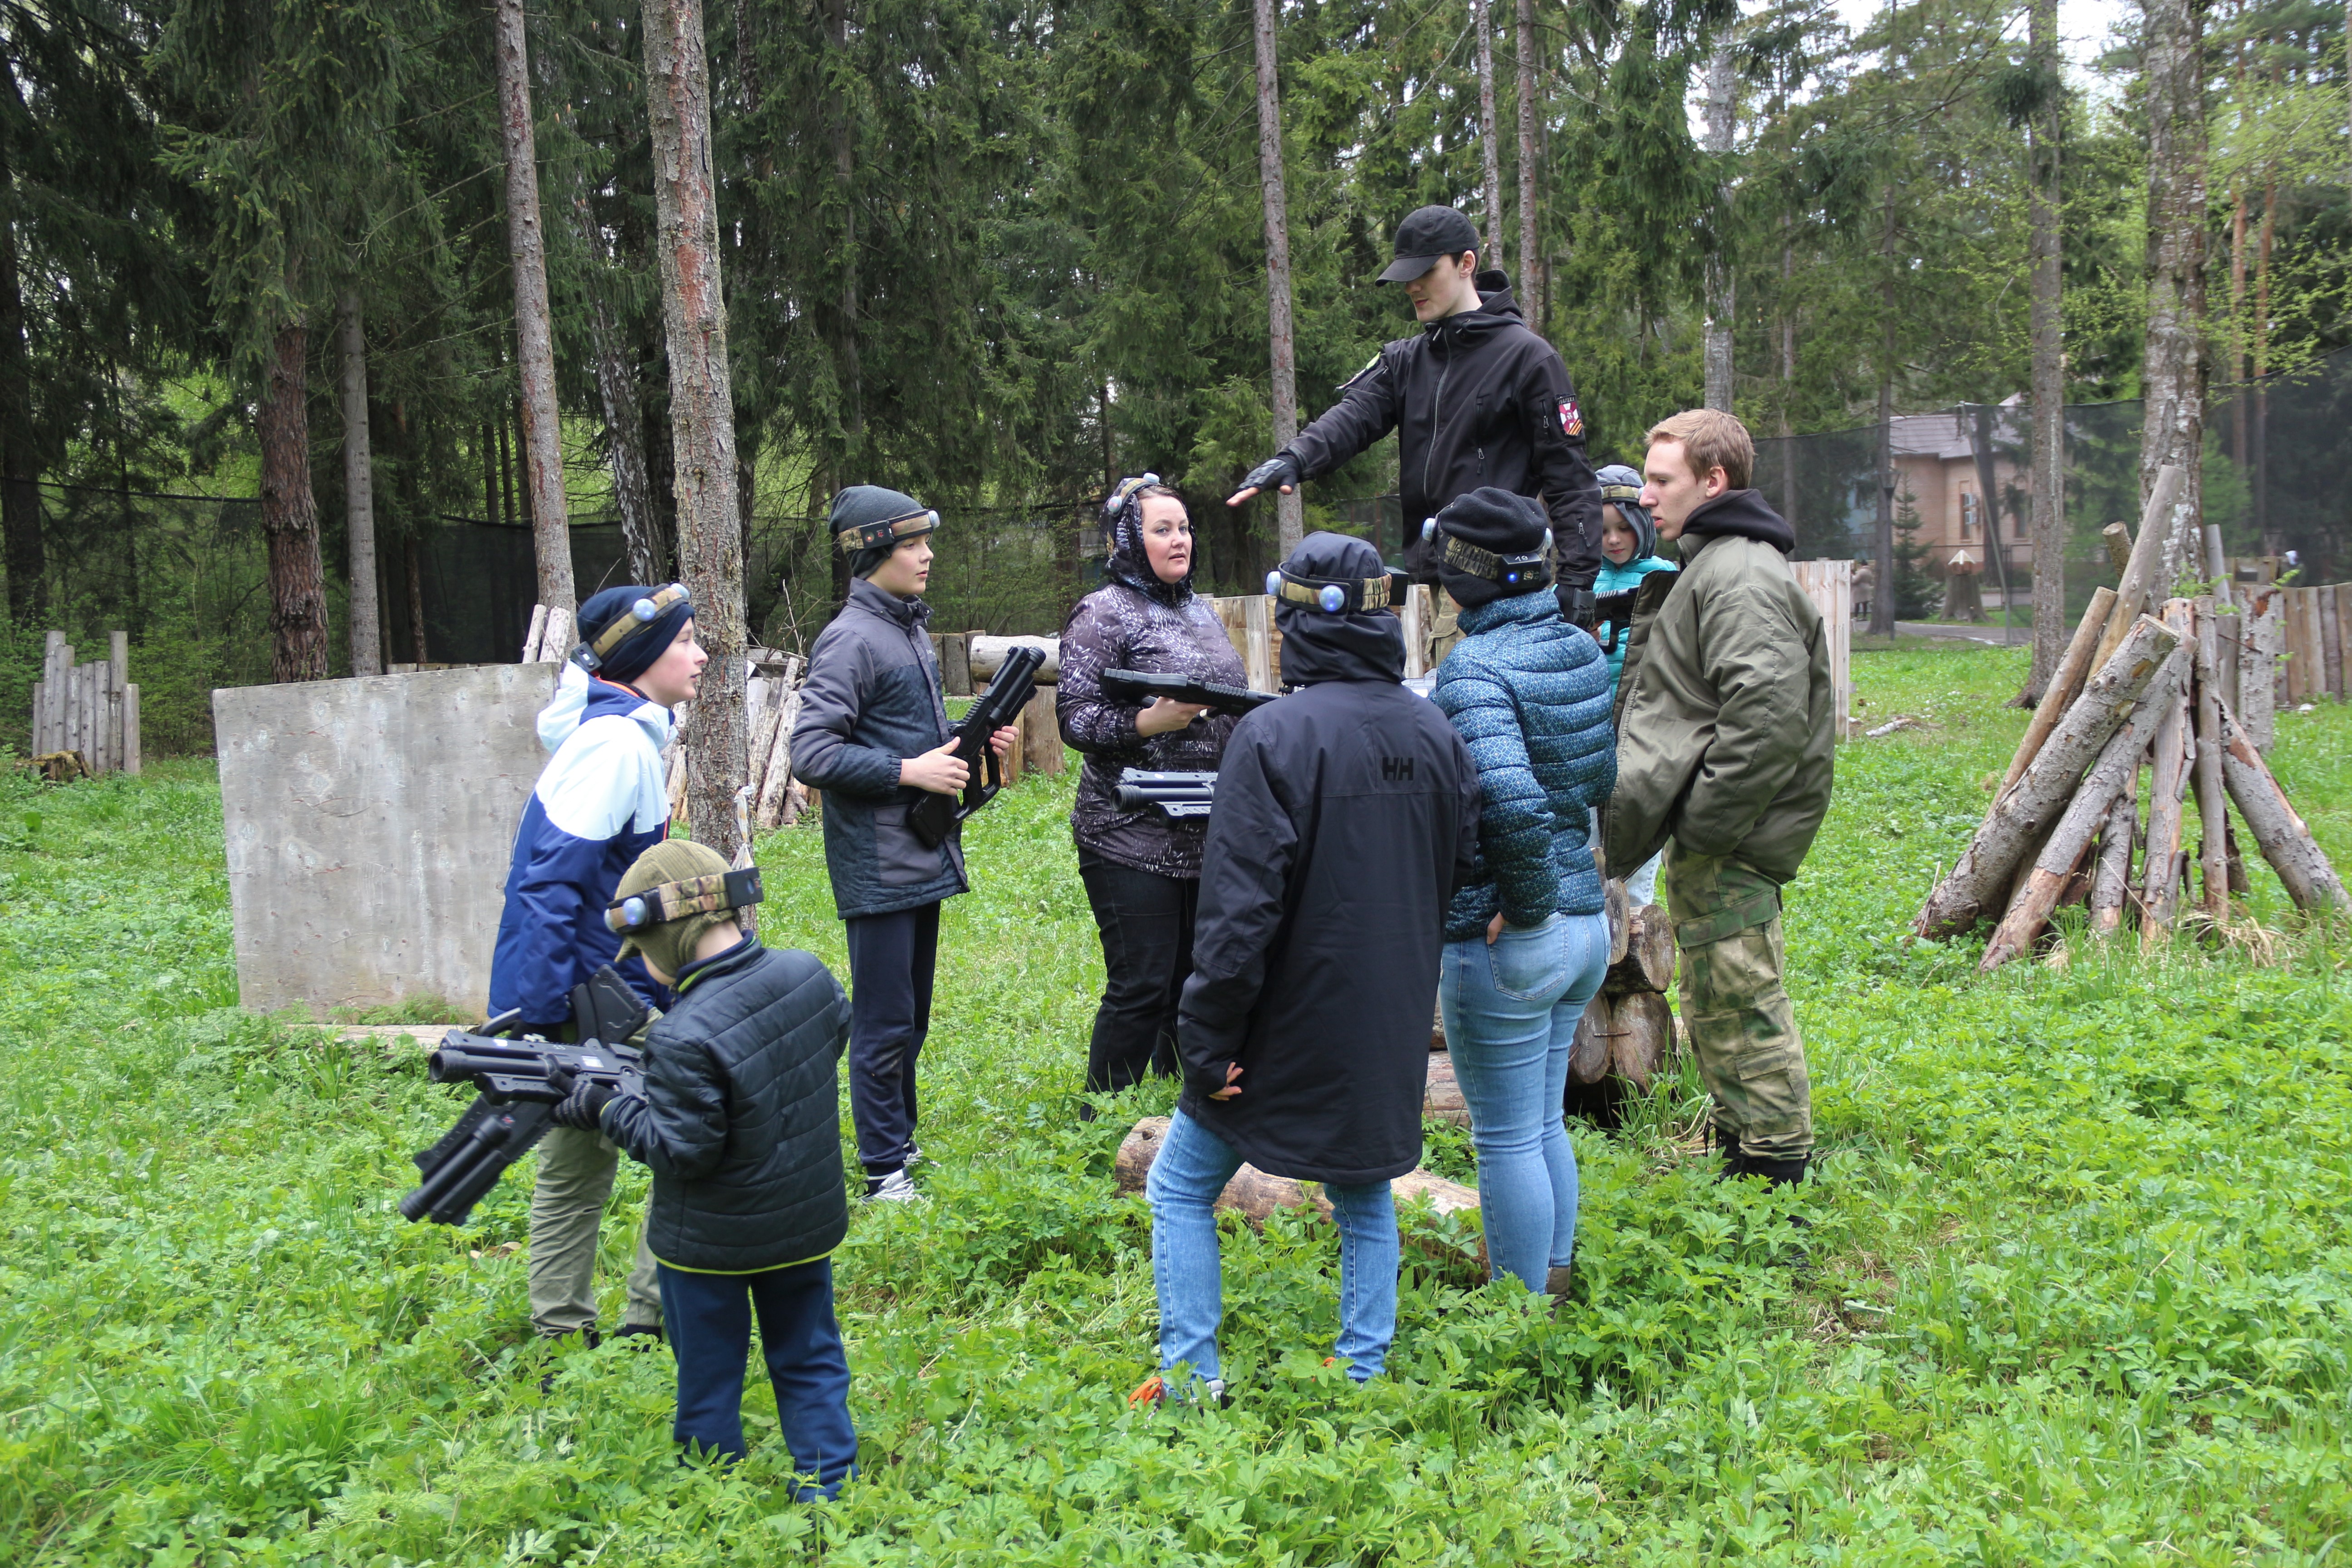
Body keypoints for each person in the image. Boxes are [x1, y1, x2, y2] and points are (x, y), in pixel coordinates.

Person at [1136, 532, 1480, 1405]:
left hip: (1276, 1028)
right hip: (1386, 1020)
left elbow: (1236, 914)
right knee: (1363, 1193)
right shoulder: (1434, 731)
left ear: (1303, 622)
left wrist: (1206, 1042)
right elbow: (1463, 865)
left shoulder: (1272, 735)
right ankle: (1360, 1370)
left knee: (1177, 1186)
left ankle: (1189, 1377)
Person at [549, 839, 858, 1494]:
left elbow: (682, 1149)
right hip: (803, 1227)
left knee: (709, 1375)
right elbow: (834, 1033)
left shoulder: (680, 1034)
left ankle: (710, 1490)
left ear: (669, 938)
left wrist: (609, 1109)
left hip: (707, 1250)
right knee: (809, 1355)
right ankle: (830, 1487)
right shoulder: (806, 972)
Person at [1602, 410, 1836, 1188]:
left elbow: (1765, 719)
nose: (1645, 496)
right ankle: (1743, 1144)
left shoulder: (1736, 573)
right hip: (1719, 837)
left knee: (1740, 996)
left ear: (1713, 482)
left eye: (1661, 480)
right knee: (1715, 991)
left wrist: (1704, 824)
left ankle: (1775, 1173)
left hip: (1731, 838)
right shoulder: (1714, 563)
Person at [490, 582, 706, 1348]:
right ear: (644, 653)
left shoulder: (620, 737)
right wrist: (553, 1021)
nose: (700, 653)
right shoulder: (614, 746)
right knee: (696, 1139)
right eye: (685, 640)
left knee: (575, 1170)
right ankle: (645, 1322)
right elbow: (550, 886)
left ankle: (562, 1340)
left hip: (592, 990)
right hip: (593, 999)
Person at [1226, 204, 1604, 642]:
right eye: (1407, 275)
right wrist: (1295, 458)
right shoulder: (1406, 359)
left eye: (1426, 271)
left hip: (1501, 593)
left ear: (1467, 264)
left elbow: (1571, 479)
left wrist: (1578, 584)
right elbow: (1355, 416)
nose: (1412, 287)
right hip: (1426, 589)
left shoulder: (1528, 358)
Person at [789, 487, 1014, 1203]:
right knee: (884, 1023)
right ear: (873, 551)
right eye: (913, 543)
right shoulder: (852, 638)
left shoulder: (903, 627)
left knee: (910, 1016)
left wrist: (965, 744)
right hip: (880, 863)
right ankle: (883, 1170)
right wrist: (907, 770)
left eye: (925, 542)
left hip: (919, 852)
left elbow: (897, 730)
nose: (927, 554)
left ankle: (900, 1143)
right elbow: (811, 753)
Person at [1424, 488, 1616, 1299]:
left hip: (1518, 936)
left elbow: (1506, 800)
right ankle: (1556, 1277)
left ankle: (1519, 1317)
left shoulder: (1471, 669)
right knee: (1541, 1122)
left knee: (1504, 1138)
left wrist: (1525, 901)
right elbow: (1598, 775)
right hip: (1586, 927)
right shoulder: (1575, 645)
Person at [1054, 476, 1249, 1111]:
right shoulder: (1101, 611)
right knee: (1141, 981)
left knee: (1192, 977)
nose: (1179, 540)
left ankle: (1173, 1096)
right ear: (1129, 539)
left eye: (1185, 527)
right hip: (1127, 832)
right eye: (1162, 529)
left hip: (1206, 826)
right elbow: (1074, 719)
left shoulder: (1199, 609)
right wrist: (1147, 722)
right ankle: (1100, 1112)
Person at [1588, 463, 1678, 906]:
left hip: (1645, 721)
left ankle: (1637, 911)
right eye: (1603, 530)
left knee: (1639, 813)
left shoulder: (1665, 577)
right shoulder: (1578, 579)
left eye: (1624, 527)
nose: (1614, 540)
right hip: (1590, 722)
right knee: (1590, 828)